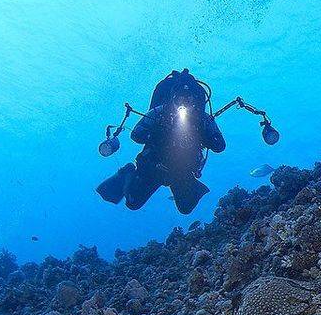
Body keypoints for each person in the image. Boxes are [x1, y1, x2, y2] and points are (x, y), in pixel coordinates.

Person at [97, 69, 226, 214]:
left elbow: (220, 146)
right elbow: (136, 136)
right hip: (153, 166)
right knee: (132, 203)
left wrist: (207, 135)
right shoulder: (159, 112)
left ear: (195, 100)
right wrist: (156, 130)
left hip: (182, 170)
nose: (184, 103)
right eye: (180, 98)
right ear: (173, 97)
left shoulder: (203, 118)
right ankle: (128, 172)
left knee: (186, 208)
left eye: (188, 99)